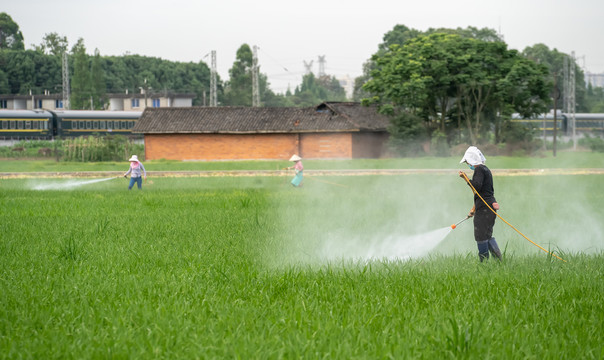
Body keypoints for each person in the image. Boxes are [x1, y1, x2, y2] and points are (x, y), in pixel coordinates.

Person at [458, 146, 502, 262]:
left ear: (472, 160)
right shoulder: (486, 169)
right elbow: (480, 193)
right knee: (487, 235)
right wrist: (473, 209)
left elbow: (476, 186)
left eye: (467, 162)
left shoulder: (479, 170)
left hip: (485, 208)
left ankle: (484, 263)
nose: (468, 165)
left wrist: (465, 178)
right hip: (488, 207)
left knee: (480, 236)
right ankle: (499, 261)